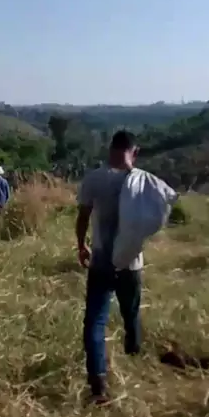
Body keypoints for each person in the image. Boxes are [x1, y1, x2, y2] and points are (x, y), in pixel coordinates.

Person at [76, 130, 143, 402]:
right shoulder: (141, 181)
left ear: (110, 149)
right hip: (131, 261)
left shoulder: (94, 179)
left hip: (102, 260)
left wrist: (81, 245)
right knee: (131, 313)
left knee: (95, 322)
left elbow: (83, 216)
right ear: (134, 152)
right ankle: (135, 351)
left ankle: (98, 386)